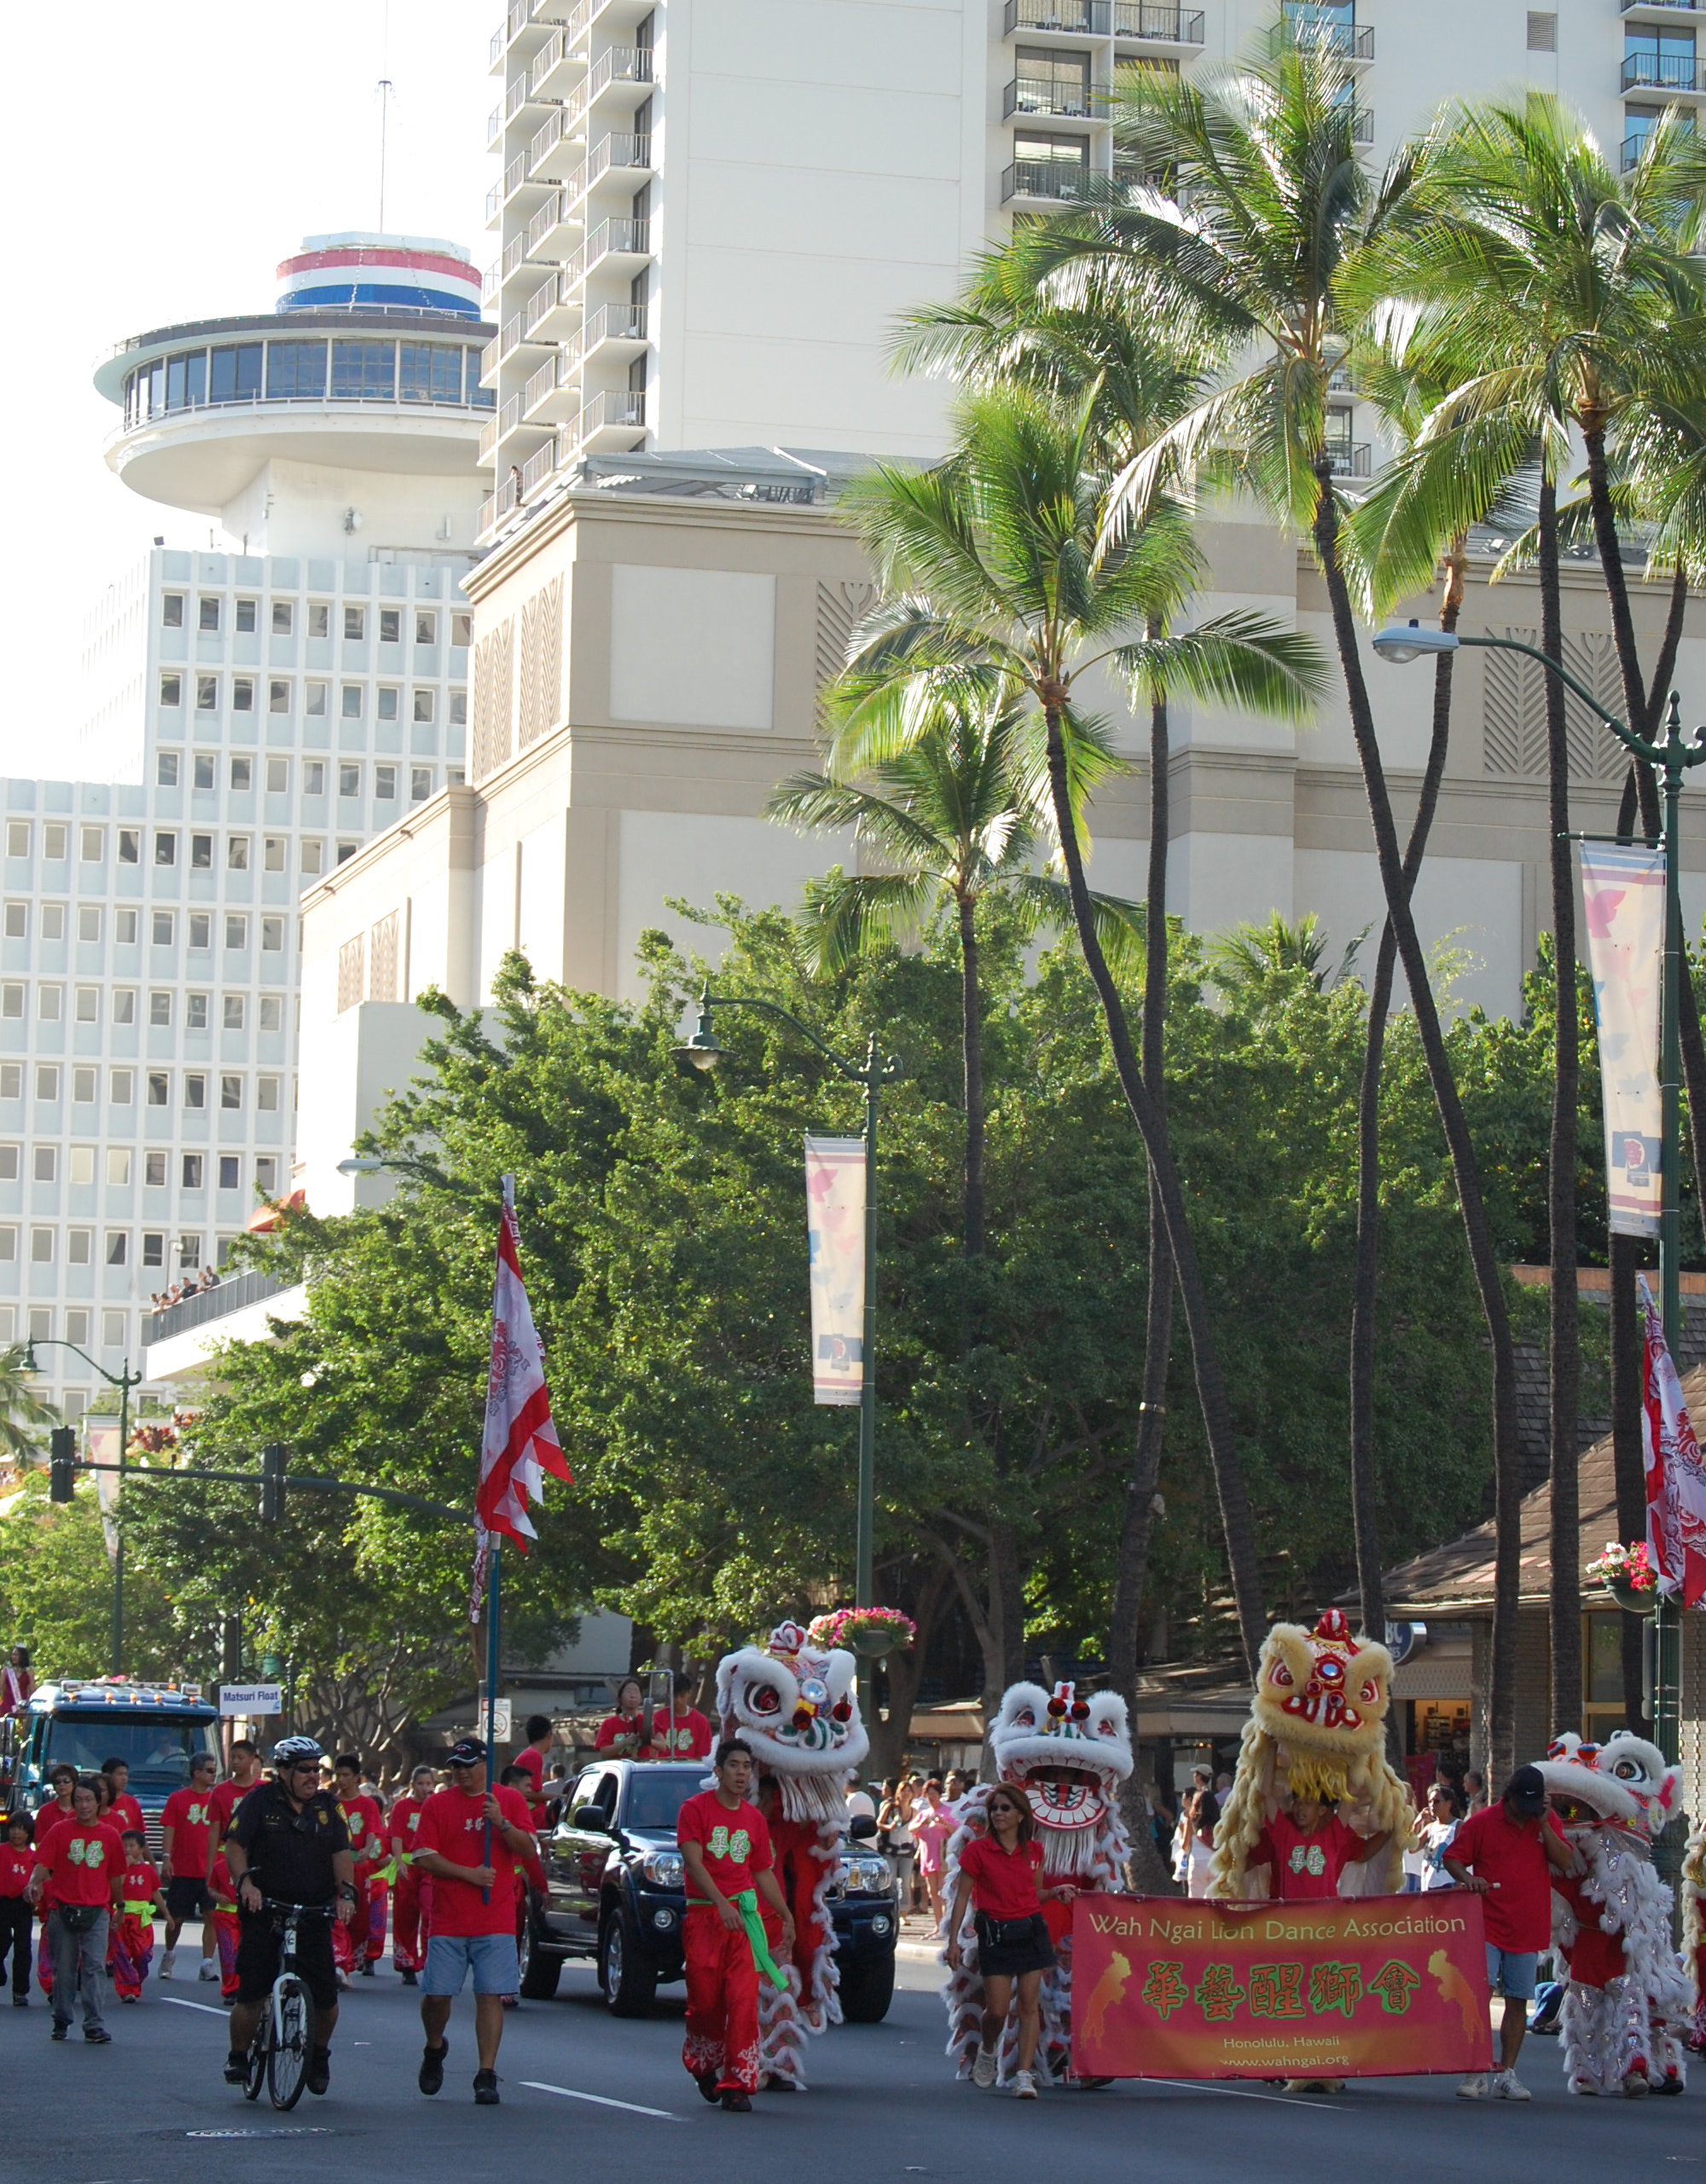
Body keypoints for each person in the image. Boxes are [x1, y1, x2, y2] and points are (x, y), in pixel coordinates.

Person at [224, 1737, 355, 2098]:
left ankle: (319, 2054)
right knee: (252, 1992)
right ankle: (238, 2056)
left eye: (317, 1769)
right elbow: (235, 1846)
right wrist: (245, 1883)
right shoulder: (259, 1801)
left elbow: (341, 1853)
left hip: (314, 1911)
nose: (313, 1776)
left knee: (326, 1999)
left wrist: (346, 1894)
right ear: (283, 1771)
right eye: (304, 1770)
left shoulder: (329, 1807)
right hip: (265, 1907)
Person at [411, 1735, 536, 2106]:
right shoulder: (437, 1804)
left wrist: (502, 1823)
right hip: (449, 1919)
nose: (461, 1773)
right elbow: (423, 1855)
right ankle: (435, 2046)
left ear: (485, 1765)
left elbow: (529, 1849)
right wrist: (469, 1875)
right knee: (437, 1996)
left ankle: (486, 2072)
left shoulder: (508, 1800)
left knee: (490, 1994)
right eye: (456, 1767)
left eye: (468, 1766)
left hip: (495, 1919)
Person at [1444, 1762, 1578, 2101]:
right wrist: (1468, 1879)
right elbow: (1453, 1858)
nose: (1527, 1812)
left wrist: (1544, 1824)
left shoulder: (1544, 1821)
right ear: (1509, 1797)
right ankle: (1476, 2070)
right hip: (1487, 1922)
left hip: (1527, 1924)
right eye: (1523, 1805)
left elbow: (1565, 1861)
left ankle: (1506, 2072)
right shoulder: (1483, 1822)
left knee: (1519, 1999)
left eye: (1535, 1806)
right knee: (1481, 1993)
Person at [677, 1737, 795, 2112]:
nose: (741, 1773)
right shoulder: (694, 1809)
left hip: (743, 1923)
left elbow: (762, 1872)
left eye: (747, 1767)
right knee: (705, 2002)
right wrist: (719, 1903)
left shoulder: (754, 1819)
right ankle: (703, 2063)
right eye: (734, 1765)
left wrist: (786, 1914)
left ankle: (737, 2083)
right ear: (718, 1770)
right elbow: (694, 1862)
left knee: (743, 2003)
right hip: (704, 1919)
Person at [943, 1782, 1073, 2099]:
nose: (998, 1814)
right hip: (995, 1934)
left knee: (1029, 2004)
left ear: (1020, 1815)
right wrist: (953, 1942)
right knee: (998, 2011)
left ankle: (1023, 2076)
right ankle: (988, 2048)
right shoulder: (978, 1850)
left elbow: (1035, 1894)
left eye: (1005, 1808)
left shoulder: (1035, 1851)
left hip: (1031, 1931)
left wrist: (1054, 1892)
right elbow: (962, 1898)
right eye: (994, 1809)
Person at [28, 1776, 123, 2042]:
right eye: (78, 1800)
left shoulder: (110, 1835)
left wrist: (121, 1906)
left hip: (98, 1910)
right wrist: (33, 1883)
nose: (83, 1806)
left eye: (88, 1800)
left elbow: (115, 1876)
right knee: (64, 1969)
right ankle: (62, 2018)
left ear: (98, 1802)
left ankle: (94, 2024)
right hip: (63, 1908)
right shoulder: (60, 1830)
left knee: (94, 1967)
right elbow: (43, 1864)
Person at [1250, 1791, 1391, 1902]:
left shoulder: (1337, 1833)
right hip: (1282, 1914)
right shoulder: (1285, 1829)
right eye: (1299, 1803)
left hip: (1322, 1915)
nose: (1328, 1819)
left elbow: (1363, 1853)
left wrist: (1391, 1829)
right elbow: (1250, 1860)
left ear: (1323, 1810)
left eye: (1331, 1813)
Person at [160, 1752, 220, 1984]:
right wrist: (167, 1858)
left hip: (209, 1870)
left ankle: (207, 1963)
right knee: (177, 1917)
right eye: (209, 1771)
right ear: (196, 1773)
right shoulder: (178, 1798)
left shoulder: (216, 1799)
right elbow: (169, 1828)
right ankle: (169, 1954)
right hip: (183, 1869)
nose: (213, 1775)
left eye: (214, 1771)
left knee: (211, 1915)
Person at [332, 1752, 388, 1981]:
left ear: (357, 1777)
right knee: (336, 1915)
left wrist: (367, 1848)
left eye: (346, 1775)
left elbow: (373, 1831)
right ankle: (338, 1962)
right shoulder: (331, 1803)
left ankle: (350, 1959)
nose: (341, 1780)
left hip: (360, 1867)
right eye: (338, 1775)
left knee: (360, 1918)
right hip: (335, 1866)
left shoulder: (367, 1804)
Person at [388, 1764, 438, 1986]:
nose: (425, 1788)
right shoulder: (402, 1807)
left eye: (429, 1784)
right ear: (412, 1785)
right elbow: (396, 1837)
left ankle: (429, 1961)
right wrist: (399, 1862)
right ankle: (407, 1963)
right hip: (408, 1866)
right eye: (420, 1784)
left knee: (430, 1913)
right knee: (406, 1916)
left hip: (430, 1867)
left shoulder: (436, 1806)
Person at [108, 1829, 162, 2002]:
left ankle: (135, 1980)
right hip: (122, 1915)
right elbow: (117, 1884)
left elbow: (155, 1892)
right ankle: (127, 1990)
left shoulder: (147, 1870)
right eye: (124, 1846)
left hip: (141, 1918)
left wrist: (167, 1914)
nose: (128, 1850)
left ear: (141, 1849)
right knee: (121, 1953)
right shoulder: (118, 1869)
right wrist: (125, 1866)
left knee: (143, 1953)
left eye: (132, 1846)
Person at [912, 1778, 955, 1930]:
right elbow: (911, 1829)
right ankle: (938, 1926)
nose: (931, 1797)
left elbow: (956, 1830)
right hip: (927, 1855)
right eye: (929, 1794)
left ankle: (947, 1926)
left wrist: (944, 1822)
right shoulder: (924, 1813)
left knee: (943, 1891)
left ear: (939, 1794)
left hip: (942, 1854)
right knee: (932, 1891)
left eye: (934, 1794)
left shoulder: (948, 1811)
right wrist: (921, 1823)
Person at [0, 1810, 33, 2006]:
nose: (16, 1833)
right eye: (13, 1828)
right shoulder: (2, 1850)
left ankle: (20, 1991)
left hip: (23, 1904)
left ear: (28, 1833)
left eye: (21, 1829)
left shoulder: (33, 1857)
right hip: (2, 1902)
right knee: (2, 1939)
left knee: (23, 1948)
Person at [207, 1740, 266, 1846]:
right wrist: (211, 1857)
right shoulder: (219, 1791)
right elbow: (214, 1831)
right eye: (232, 1757)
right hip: (225, 1852)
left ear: (252, 1759)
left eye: (240, 1758)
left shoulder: (264, 1789)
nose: (235, 1761)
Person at [206, 1832, 242, 2002]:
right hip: (225, 1915)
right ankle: (230, 1989)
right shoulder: (219, 1866)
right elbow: (211, 1888)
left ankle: (245, 1986)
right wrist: (217, 1896)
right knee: (228, 1952)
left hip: (245, 1914)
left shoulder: (250, 1865)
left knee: (245, 1951)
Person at [508, 1714, 559, 1826]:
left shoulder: (528, 1754)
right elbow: (530, 1794)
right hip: (530, 1816)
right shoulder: (534, 1756)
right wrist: (559, 1798)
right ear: (549, 1735)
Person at [1414, 1780, 1463, 1892]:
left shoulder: (1458, 1826)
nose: (1432, 1805)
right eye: (1430, 1802)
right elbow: (1412, 1848)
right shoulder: (1430, 1827)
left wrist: (1459, 1883)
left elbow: (1461, 1856)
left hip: (1448, 1885)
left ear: (1449, 1804)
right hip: (1428, 1885)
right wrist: (1416, 1824)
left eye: (1436, 1801)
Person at [652, 1671, 713, 1760]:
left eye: (682, 1696)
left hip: (689, 1767)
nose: (678, 1700)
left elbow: (702, 1755)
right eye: (674, 1695)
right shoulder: (657, 1718)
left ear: (689, 1693)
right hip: (662, 1766)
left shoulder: (701, 1721)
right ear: (668, 1694)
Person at [594, 1677, 657, 1758]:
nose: (632, 1696)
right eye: (628, 1692)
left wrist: (648, 1735)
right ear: (620, 1697)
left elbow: (661, 1747)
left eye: (636, 1692)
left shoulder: (646, 1721)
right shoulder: (609, 1723)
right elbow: (604, 1753)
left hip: (642, 1765)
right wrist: (625, 1742)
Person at [877, 1777, 915, 1911]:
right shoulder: (890, 1807)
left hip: (907, 1851)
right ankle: (891, 1909)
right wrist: (889, 1827)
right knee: (891, 1880)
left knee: (905, 1882)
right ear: (898, 1792)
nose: (906, 1794)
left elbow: (917, 1832)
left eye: (909, 1791)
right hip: (890, 1850)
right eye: (903, 1791)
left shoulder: (914, 1811)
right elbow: (878, 1823)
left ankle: (903, 1912)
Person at [99, 1759, 146, 1839]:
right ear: (108, 1776)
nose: (124, 1778)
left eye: (126, 1774)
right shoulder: (98, 1802)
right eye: (120, 1774)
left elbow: (139, 1834)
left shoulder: (132, 1802)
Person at [1, 1643, 32, 1717]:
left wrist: (27, 1705)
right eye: (13, 1654)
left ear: (22, 1656)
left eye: (16, 1655)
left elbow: (32, 1691)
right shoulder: (6, 1671)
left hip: (22, 1708)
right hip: (6, 1707)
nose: (13, 1657)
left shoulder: (29, 1672)